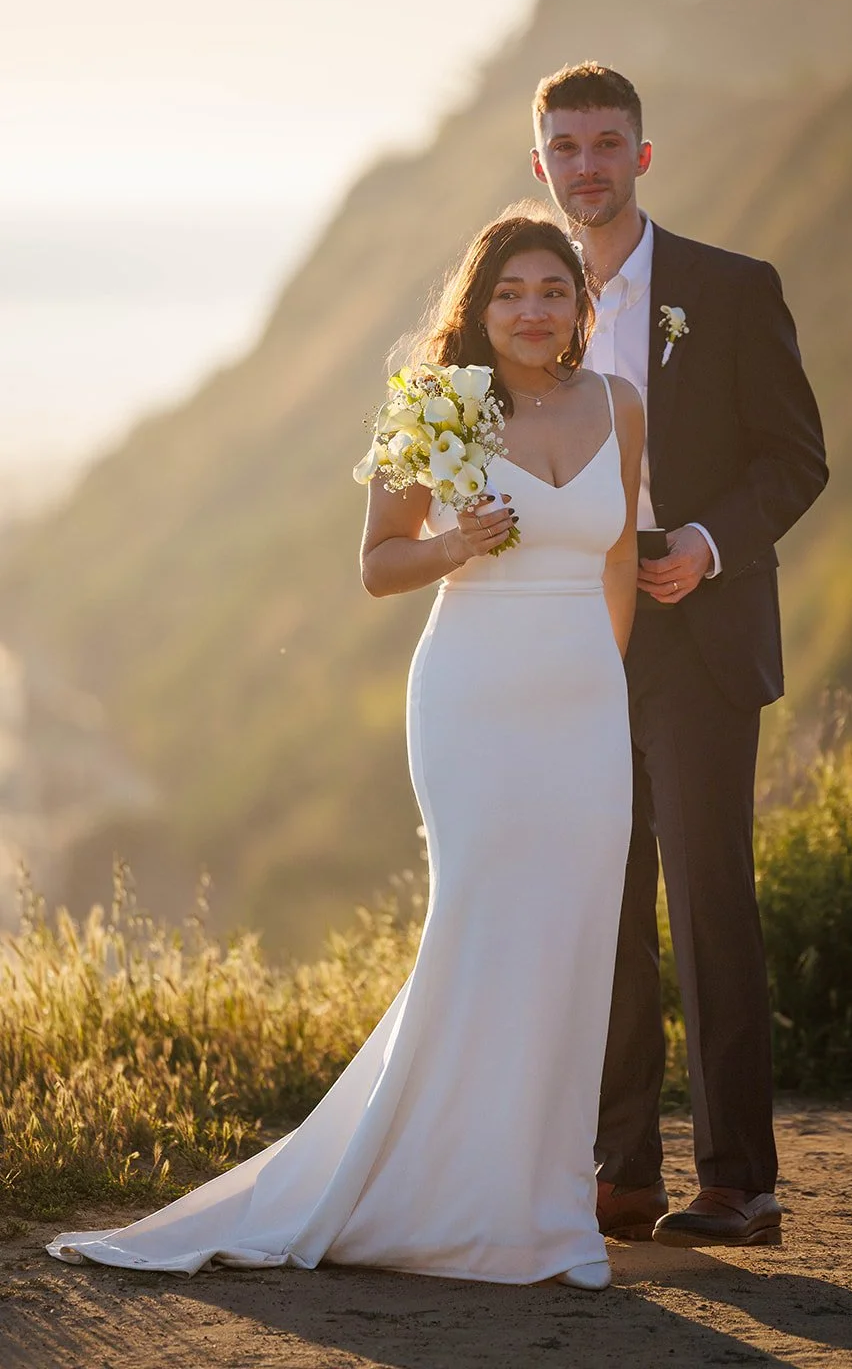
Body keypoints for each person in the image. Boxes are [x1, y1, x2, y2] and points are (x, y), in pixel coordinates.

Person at [47, 212, 644, 1290]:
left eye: (552, 290)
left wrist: (603, 693)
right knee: (478, 922)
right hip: (470, 697)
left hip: (586, 712)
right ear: (478, 303)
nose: (531, 310)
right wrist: (455, 544)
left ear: (578, 305)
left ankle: (543, 1198)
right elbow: (376, 564)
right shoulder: (432, 402)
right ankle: (444, 1193)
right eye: (509, 292)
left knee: (570, 937)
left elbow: (612, 571)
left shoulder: (620, 404)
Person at [531, 63, 828, 1248]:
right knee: (599, 897)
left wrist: (706, 543)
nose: (587, 165)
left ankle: (736, 1181)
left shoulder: (728, 288)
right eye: (565, 146)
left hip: (695, 624)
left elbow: (796, 458)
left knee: (708, 901)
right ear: (539, 163)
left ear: (641, 158)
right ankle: (620, 1172)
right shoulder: (527, 297)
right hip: (574, 626)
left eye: (608, 143)